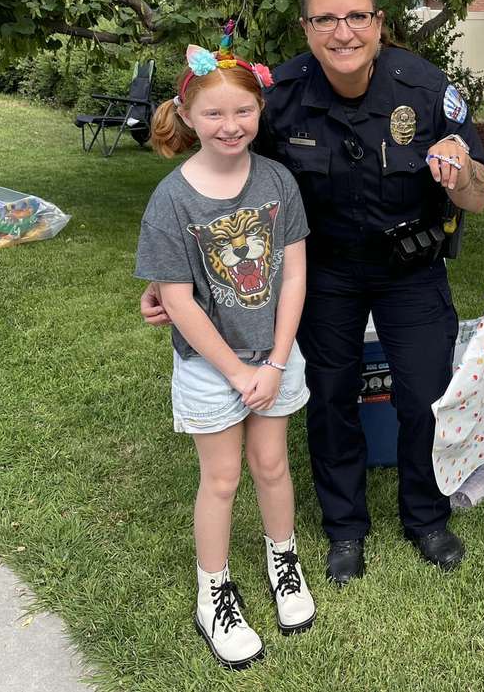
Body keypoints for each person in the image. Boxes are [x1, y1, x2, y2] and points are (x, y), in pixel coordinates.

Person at [144, 0, 484, 585]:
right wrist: (175, 275)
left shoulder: (424, 87)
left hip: (409, 267)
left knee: (423, 392)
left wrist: (459, 169)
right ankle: (345, 527)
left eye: (357, 15)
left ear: (379, 22)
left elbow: (480, 196)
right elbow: (234, 182)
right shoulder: (281, 98)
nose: (343, 32)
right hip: (321, 271)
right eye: (326, 18)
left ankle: (426, 516)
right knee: (332, 398)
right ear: (307, 28)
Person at [136, 38, 316, 670]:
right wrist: (240, 371)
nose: (230, 125)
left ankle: (282, 560)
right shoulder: (171, 200)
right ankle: (213, 592)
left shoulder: (277, 181)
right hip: (212, 368)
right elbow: (177, 300)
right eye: (213, 114)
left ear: (260, 111)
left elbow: (293, 275)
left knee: (272, 465)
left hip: (276, 357)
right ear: (187, 116)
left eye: (242, 111)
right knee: (222, 478)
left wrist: (274, 362)